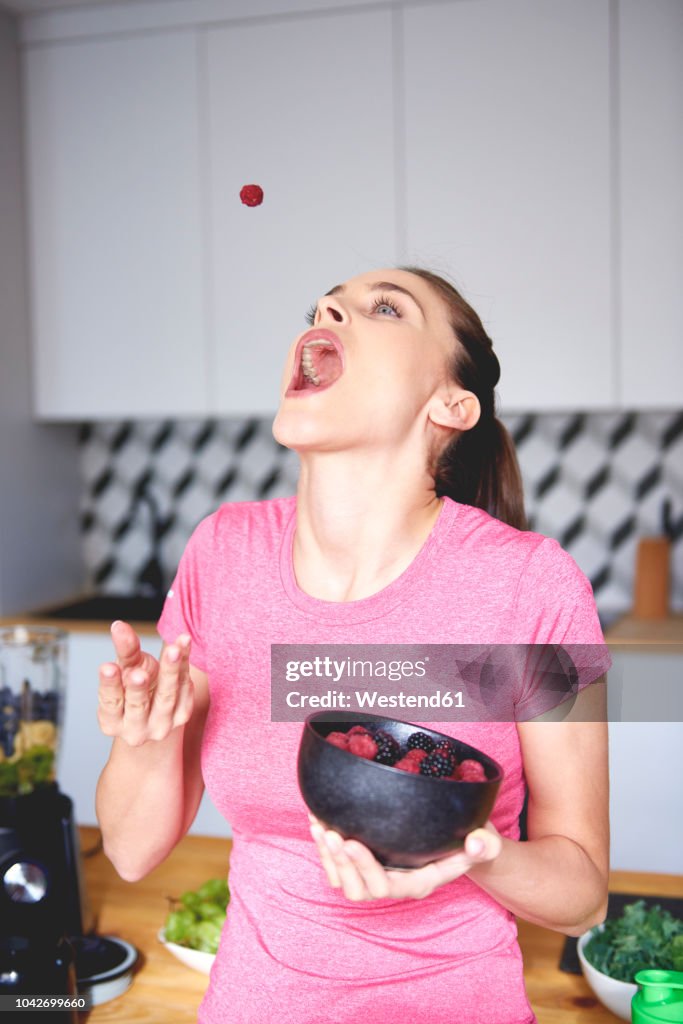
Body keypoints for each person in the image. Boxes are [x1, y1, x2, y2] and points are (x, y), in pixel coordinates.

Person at [95, 267, 611, 1024]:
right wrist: (142, 742)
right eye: (324, 305)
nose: (331, 308)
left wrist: (473, 851)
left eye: (384, 308)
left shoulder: (535, 585)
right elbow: (133, 854)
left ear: (450, 404)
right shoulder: (223, 553)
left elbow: (581, 895)